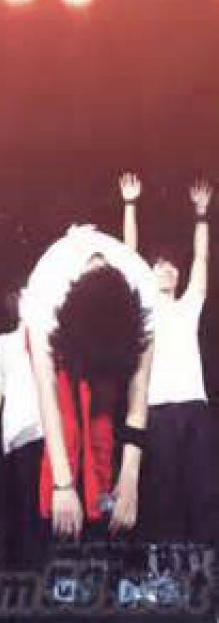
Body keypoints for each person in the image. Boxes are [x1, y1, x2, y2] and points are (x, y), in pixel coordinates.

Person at [21, 224, 156, 541]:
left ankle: (100, 507)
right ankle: (61, 515)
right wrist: (63, 485)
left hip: (107, 331)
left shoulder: (145, 293)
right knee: (68, 418)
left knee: (101, 415)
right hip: (59, 332)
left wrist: (130, 478)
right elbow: (47, 394)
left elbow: (139, 391)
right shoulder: (45, 296)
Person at [119, 173, 213, 543]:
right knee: (165, 491)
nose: (168, 270)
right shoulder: (145, 309)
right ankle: (165, 563)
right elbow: (128, 257)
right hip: (157, 409)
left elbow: (202, 259)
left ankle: (207, 562)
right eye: (159, 265)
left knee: (203, 489)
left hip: (194, 407)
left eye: (173, 266)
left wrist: (201, 215)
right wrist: (130, 204)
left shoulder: (189, 306)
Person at [0, 289, 44, 569]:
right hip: (14, 435)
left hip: (44, 432)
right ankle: (19, 572)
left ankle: (40, 570)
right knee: (17, 508)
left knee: (39, 508)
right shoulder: (3, 343)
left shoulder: (50, 341)